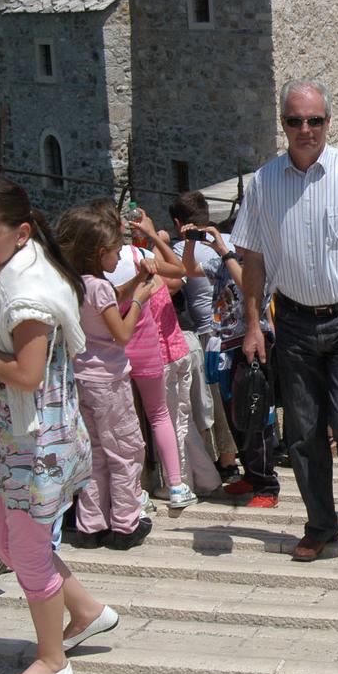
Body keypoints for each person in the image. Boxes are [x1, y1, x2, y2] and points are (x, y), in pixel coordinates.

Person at [0, 176, 113, 674]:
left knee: (31, 553)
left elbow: (27, 373)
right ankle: (86, 612)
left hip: (34, 445)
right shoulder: (18, 270)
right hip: (19, 439)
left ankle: (51, 659)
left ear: (18, 233)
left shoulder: (25, 292)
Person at [231, 77, 338, 563]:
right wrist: (254, 324)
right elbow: (253, 256)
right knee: (301, 431)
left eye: (315, 120)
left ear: (328, 121)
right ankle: (320, 523)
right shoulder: (263, 183)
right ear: (283, 124)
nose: (306, 129)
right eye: (296, 120)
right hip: (295, 322)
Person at [56, 207, 158, 550]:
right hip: (109, 382)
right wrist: (141, 300)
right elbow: (122, 333)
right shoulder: (98, 286)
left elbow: (111, 300)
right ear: (100, 252)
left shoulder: (75, 284)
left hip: (82, 378)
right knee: (126, 450)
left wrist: (135, 284)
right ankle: (126, 524)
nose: (120, 256)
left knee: (96, 453)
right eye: (116, 250)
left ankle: (91, 524)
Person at [98, 203, 197, 515]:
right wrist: (153, 235)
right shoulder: (137, 256)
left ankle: (135, 492)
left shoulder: (91, 268)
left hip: (113, 350)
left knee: (124, 424)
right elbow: (180, 271)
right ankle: (177, 486)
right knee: (158, 415)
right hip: (147, 346)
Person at [182, 222, 281, 508]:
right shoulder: (221, 262)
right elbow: (189, 269)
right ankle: (251, 474)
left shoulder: (260, 263)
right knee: (236, 415)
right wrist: (190, 242)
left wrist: (225, 251)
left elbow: (246, 284)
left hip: (251, 345)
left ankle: (267, 484)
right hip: (223, 345)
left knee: (257, 415)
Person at [170, 191, 241, 483]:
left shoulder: (179, 248)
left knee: (216, 401)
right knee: (235, 395)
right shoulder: (229, 244)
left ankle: (226, 461)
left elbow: (176, 280)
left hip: (208, 333)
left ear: (178, 223)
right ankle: (238, 457)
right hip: (237, 331)